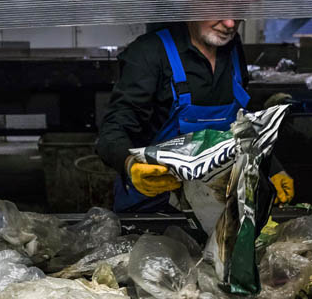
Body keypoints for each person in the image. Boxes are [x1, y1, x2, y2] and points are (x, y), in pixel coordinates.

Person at [97, 19, 295, 212]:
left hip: (214, 205)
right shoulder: (149, 52)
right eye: (218, 9)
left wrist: (270, 165)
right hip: (156, 206)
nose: (230, 24)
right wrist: (130, 165)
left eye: (237, 12)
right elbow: (113, 129)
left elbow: (239, 123)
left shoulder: (232, 49)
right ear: (193, 1)